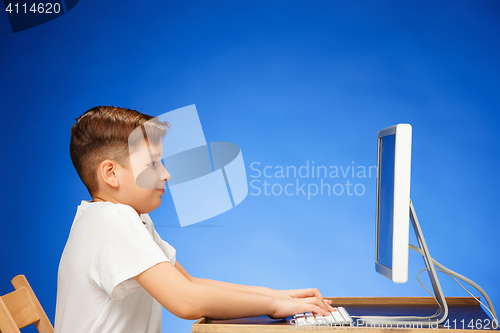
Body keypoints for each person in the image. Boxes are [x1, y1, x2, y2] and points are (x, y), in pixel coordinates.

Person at [55, 106, 334, 333]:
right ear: (111, 173)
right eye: (153, 164)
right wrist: (272, 307)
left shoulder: (126, 218)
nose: (166, 174)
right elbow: (186, 301)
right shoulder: (111, 220)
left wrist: (278, 297)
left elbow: (191, 283)